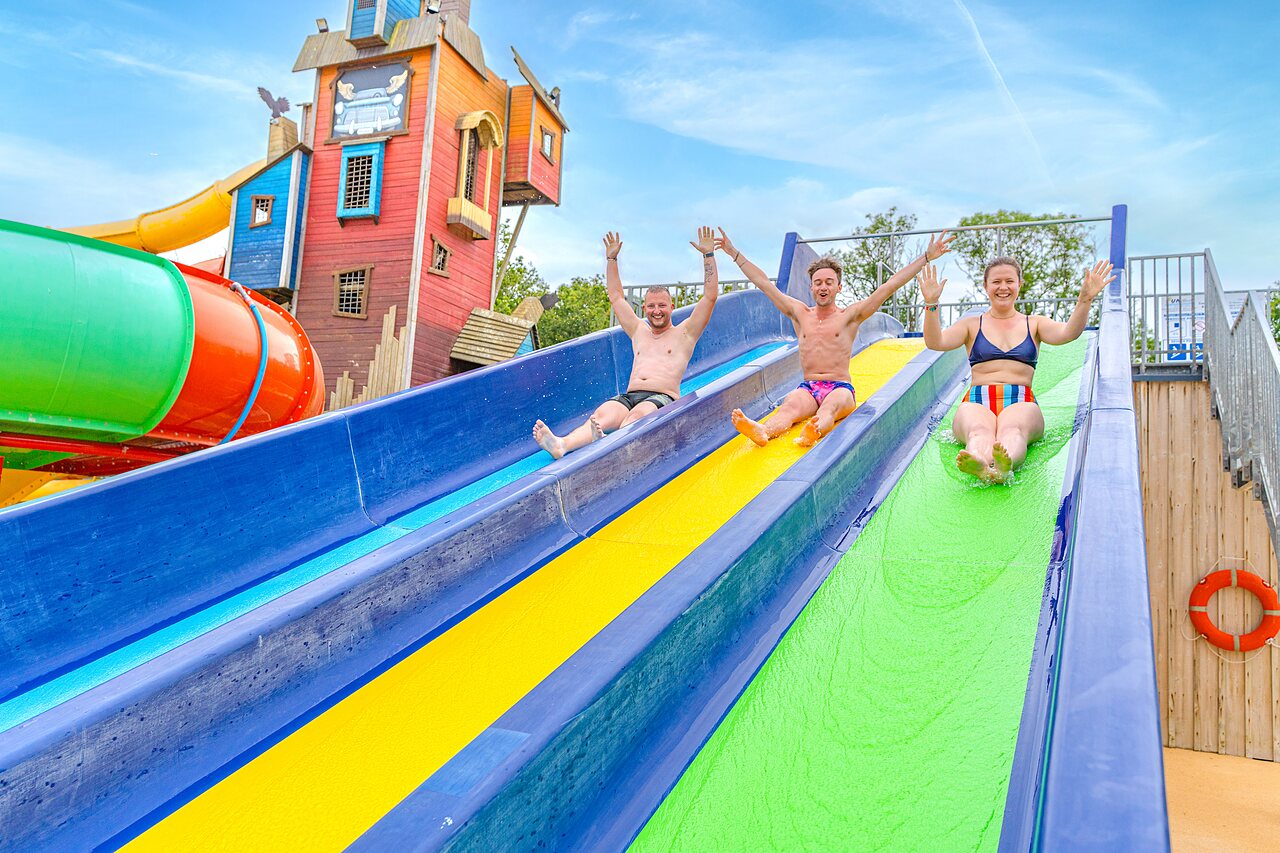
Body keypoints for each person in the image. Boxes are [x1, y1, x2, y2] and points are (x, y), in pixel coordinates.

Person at [718, 228, 954, 447]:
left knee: (829, 408)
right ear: (811, 287)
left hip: (841, 388)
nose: (823, 287)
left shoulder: (850, 316)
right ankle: (764, 431)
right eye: (818, 283)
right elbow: (764, 284)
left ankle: (814, 431)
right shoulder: (800, 314)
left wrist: (925, 257)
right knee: (789, 406)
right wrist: (734, 253)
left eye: (829, 283)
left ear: (839, 287)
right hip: (809, 387)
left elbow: (889, 286)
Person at [918, 255, 1115, 483]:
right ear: (985, 286)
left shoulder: (1035, 323)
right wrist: (931, 303)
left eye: (1009, 281)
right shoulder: (971, 325)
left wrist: (1084, 300)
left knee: (1012, 431)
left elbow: (1068, 333)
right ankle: (980, 463)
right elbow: (936, 342)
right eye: (996, 282)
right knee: (978, 431)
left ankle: (1005, 464)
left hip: (1021, 399)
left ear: (1019, 284)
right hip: (978, 399)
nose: (1003, 287)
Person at [532, 227, 720, 459]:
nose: (657, 311)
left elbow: (710, 297)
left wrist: (708, 255)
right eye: (651, 306)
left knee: (636, 417)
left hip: (662, 398)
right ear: (644, 308)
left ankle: (609, 445)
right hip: (630, 396)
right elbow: (616, 297)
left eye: (662, 305)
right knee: (601, 415)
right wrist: (611, 260)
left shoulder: (685, 333)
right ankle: (562, 444)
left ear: (671, 307)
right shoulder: (639, 330)